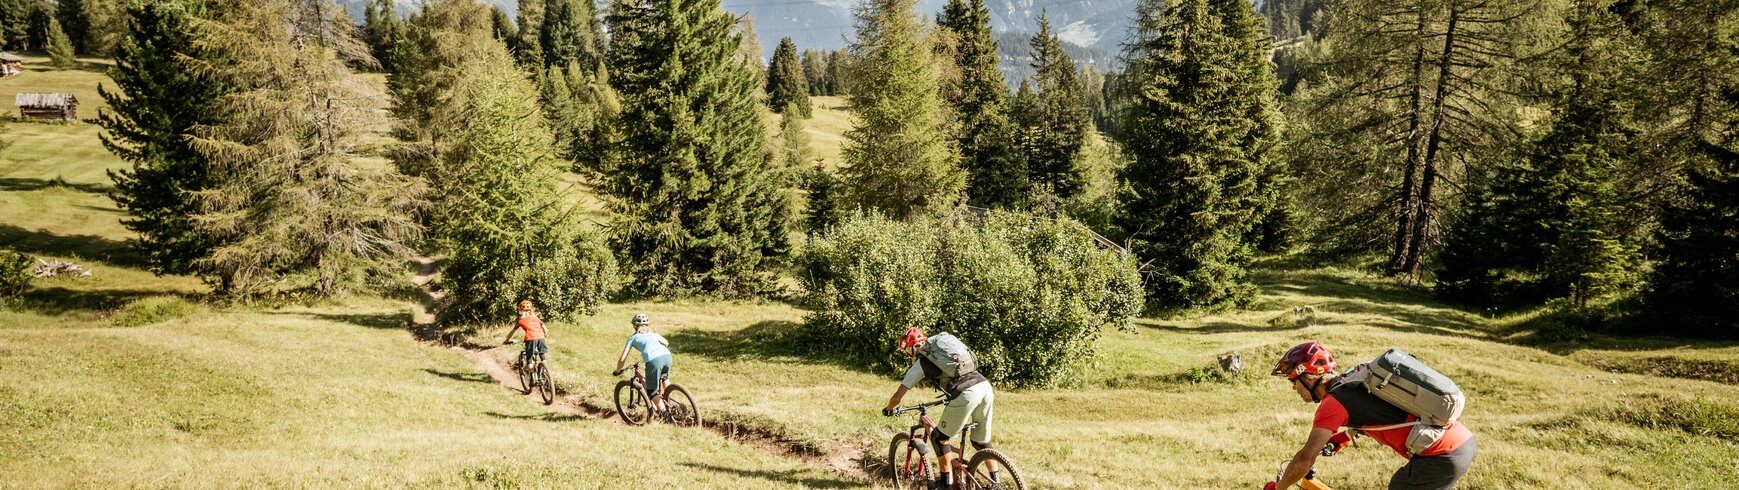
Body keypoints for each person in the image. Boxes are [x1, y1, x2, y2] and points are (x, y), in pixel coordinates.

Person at [1267, 342, 1477, 490]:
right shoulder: (1352, 380)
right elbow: (1377, 413)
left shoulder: (1333, 403)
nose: (1294, 388)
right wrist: (1342, 438)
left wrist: (1278, 487)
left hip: (1441, 455)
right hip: (1459, 443)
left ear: (1308, 376)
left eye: (1293, 380)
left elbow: (1305, 459)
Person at [881, 327, 998, 490]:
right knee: (980, 441)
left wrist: (888, 409)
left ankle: (945, 484)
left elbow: (897, 396)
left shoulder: (922, 362)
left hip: (966, 392)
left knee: (939, 438)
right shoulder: (941, 352)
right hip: (984, 386)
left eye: (907, 350)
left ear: (911, 348)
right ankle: (996, 482)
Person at [614, 313, 672, 415]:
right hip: (667, 356)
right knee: (664, 378)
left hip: (653, 360)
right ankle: (672, 405)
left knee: (652, 392)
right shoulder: (654, 333)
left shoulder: (633, 338)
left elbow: (622, 359)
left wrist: (618, 370)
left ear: (635, 326)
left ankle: (666, 416)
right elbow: (666, 342)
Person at [501, 299, 548, 369]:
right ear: (531, 309)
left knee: (529, 359)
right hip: (541, 337)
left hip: (530, 338)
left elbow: (512, 332)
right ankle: (545, 371)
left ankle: (531, 378)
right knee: (542, 355)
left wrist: (507, 340)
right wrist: (545, 335)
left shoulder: (520, 320)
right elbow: (544, 328)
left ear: (520, 310)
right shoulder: (535, 318)